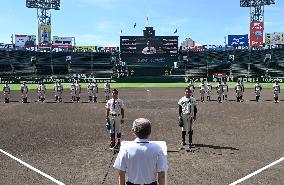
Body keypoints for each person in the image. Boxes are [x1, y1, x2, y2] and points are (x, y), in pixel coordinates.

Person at [113, 118, 168, 185]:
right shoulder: (158, 149)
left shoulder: (125, 148)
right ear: (150, 132)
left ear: (133, 131)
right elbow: (161, 174)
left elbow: (121, 173)